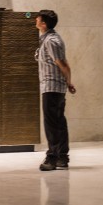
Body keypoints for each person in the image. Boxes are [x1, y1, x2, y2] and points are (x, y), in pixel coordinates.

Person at [35, 10, 76, 171]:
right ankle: (62, 158)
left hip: (52, 87)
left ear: (43, 23)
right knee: (59, 122)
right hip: (54, 86)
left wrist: (69, 81)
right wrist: (67, 82)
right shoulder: (48, 39)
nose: (35, 19)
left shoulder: (51, 40)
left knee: (52, 123)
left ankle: (52, 158)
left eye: (38, 18)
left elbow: (63, 64)